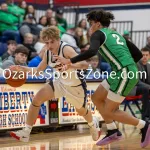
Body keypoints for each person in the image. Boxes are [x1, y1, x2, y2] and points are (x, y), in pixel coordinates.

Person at [55, 10, 150, 148]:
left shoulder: (98, 34)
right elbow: (137, 54)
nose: (90, 27)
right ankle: (112, 130)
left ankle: (144, 125)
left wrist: (69, 61)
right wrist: (127, 65)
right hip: (121, 71)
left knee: (110, 110)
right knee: (96, 98)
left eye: (91, 24)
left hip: (124, 72)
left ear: (98, 24)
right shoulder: (116, 34)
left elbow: (92, 51)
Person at [9, 26, 100, 142]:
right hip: (60, 82)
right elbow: (37, 72)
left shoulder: (66, 49)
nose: (50, 45)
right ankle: (25, 132)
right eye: (47, 43)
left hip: (75, 86)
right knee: (37, 99)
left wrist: (69, 64)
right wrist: (21, 68)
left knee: (81, 111)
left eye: (52, 42)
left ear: (58, 39)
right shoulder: (48, 53)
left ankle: (93, 123)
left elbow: (85, 65)